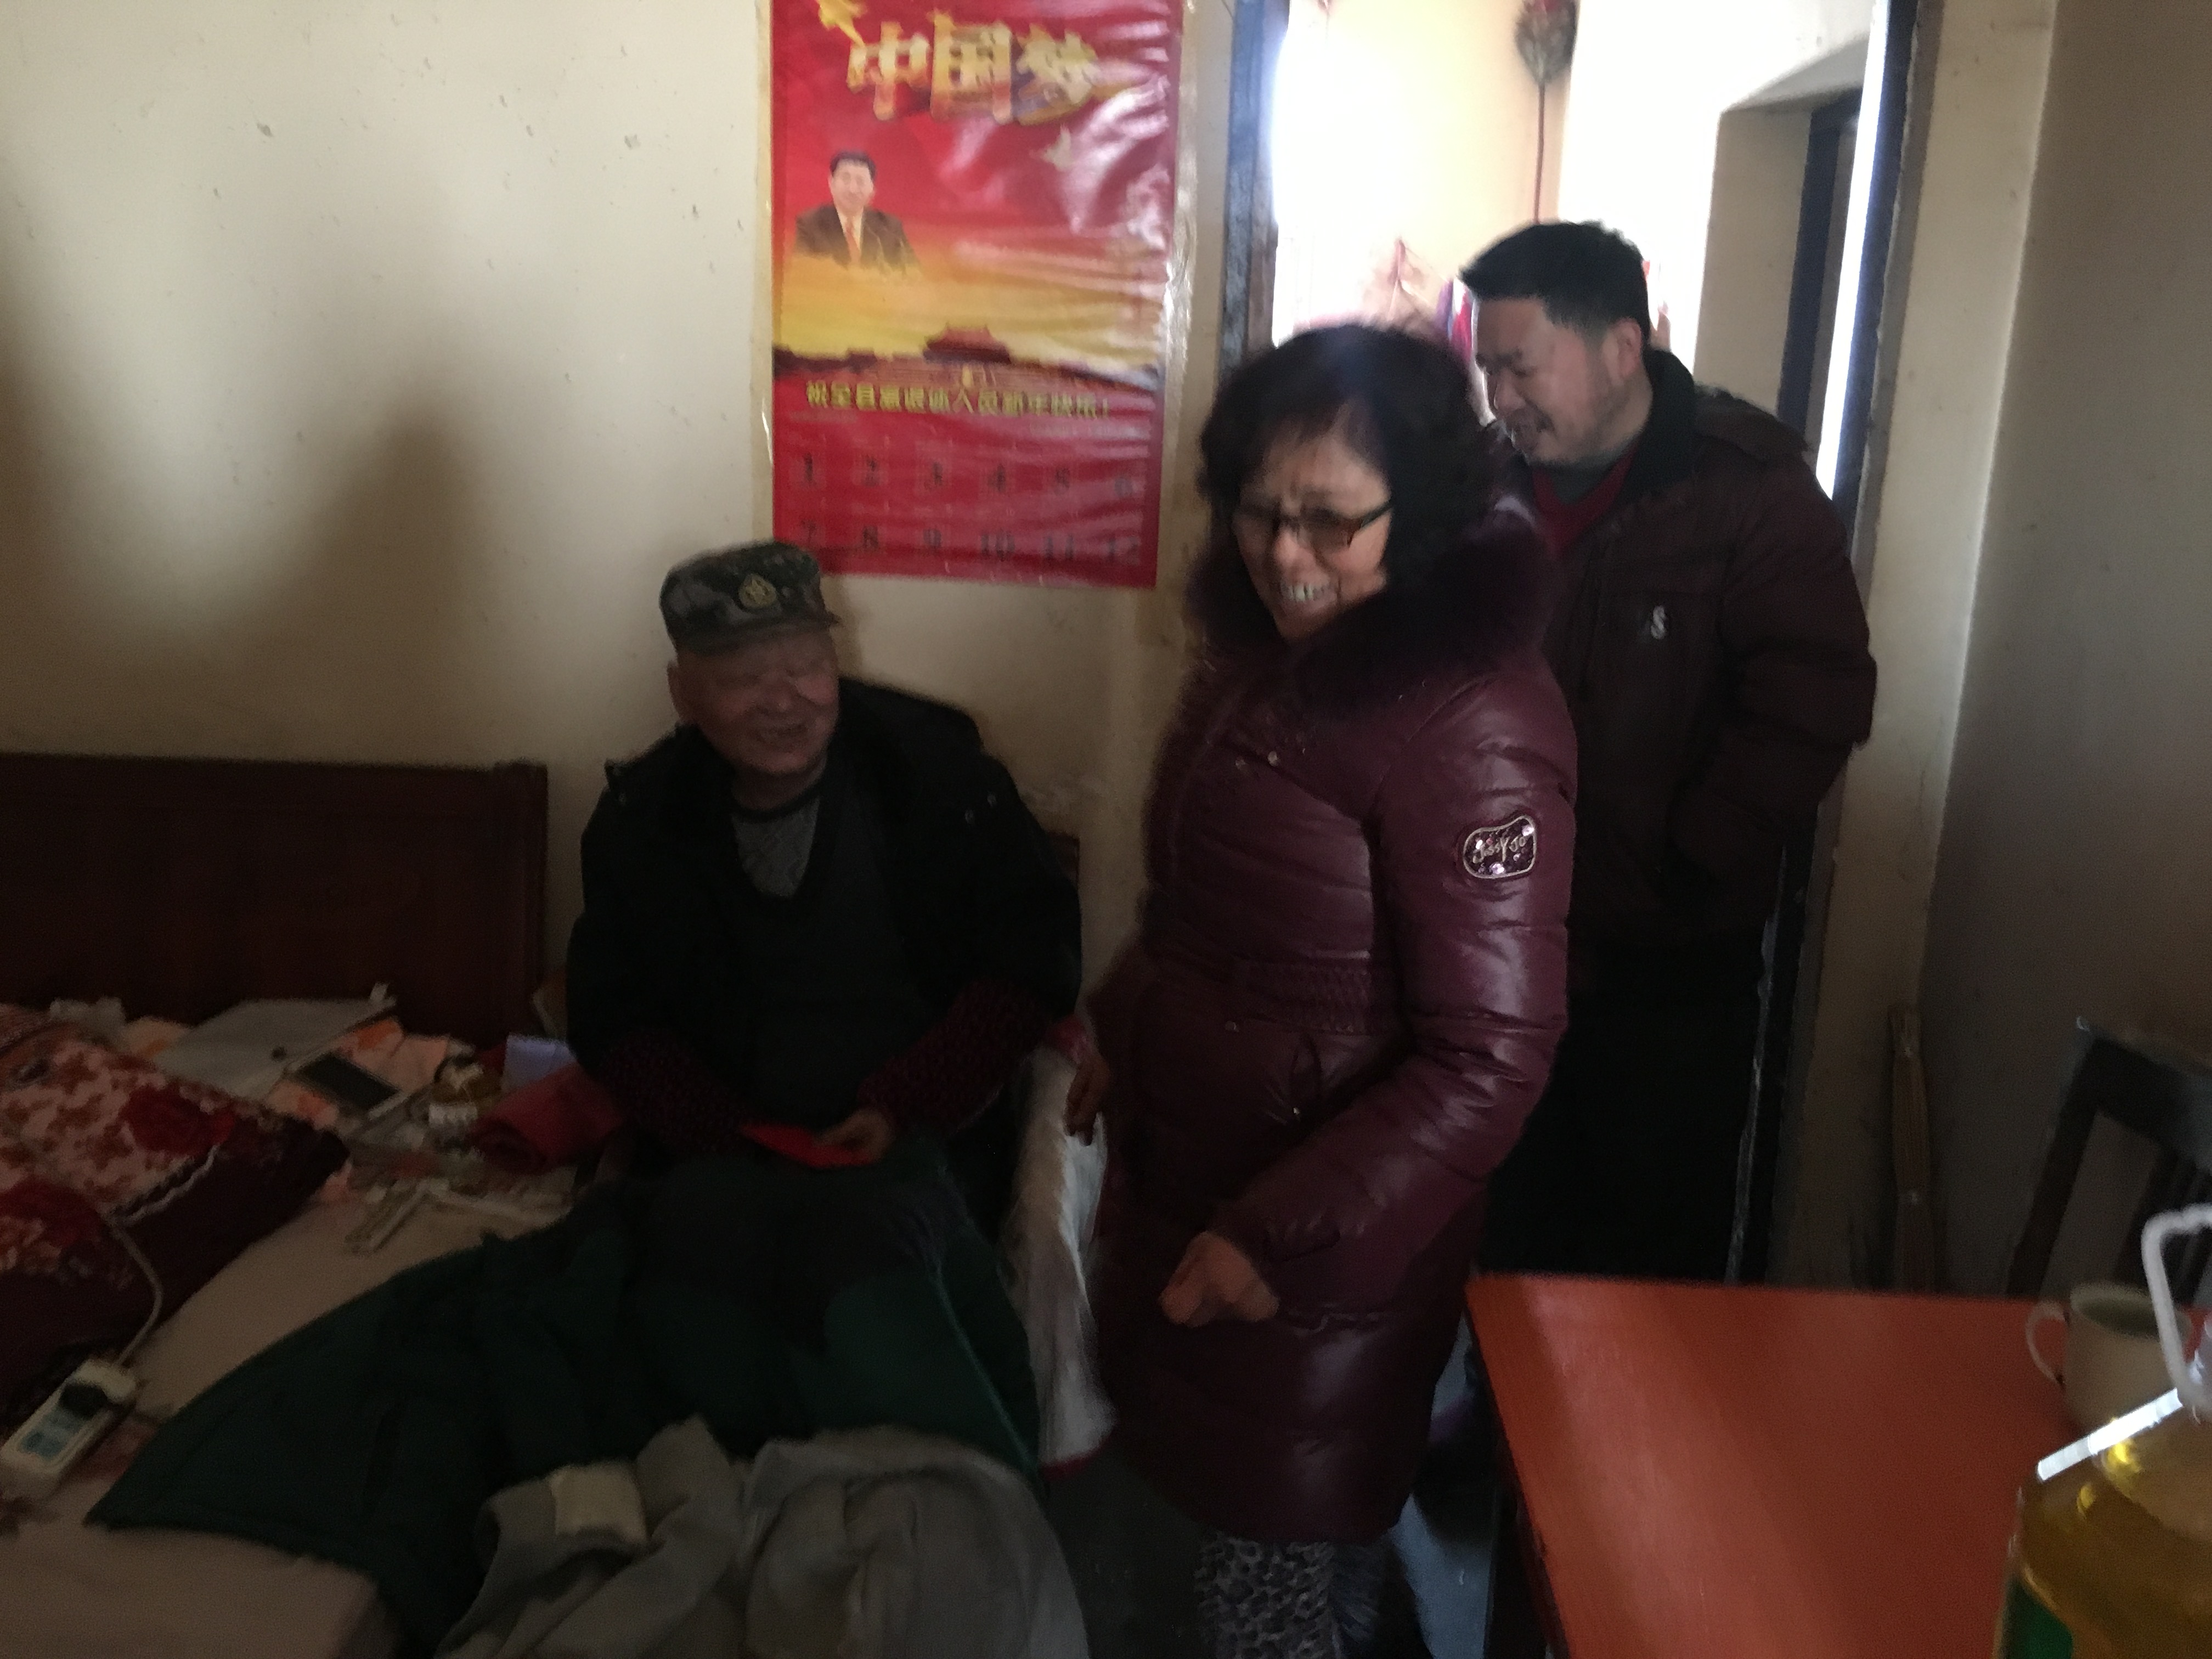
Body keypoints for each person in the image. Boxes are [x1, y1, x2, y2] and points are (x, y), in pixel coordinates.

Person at [1065, 324, 1576, 1657]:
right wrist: (1120, 1026)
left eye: (1332, 521)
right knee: (1239, 1551)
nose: (1284, 554)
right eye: (1258, 511)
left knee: (1269, 1586)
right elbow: (1202, 917)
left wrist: (1277, 1239)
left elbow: (1489, 1056)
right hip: (1206, 1189)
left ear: (1426, 513)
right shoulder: (1267, 657)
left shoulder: (1473, 720)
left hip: (1319, 1249)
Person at [1462, 219, 1877, 1280]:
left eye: (1519, 366)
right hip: (1499, 942)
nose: (1499, 397)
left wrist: (1688, 864)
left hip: (1666, 973)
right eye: (1486, 369)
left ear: (1620, 347)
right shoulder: (1481, 490)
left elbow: (1814, 695)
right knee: (1499, 1242)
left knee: (1644, 1267)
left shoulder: (1747, 494)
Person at [565, 541, 1078, 1234]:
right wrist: (730, 1141)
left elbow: (1030, 968)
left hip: (926, 1151)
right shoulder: (641, 822)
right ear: (683, 693)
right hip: (720, 1162)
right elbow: (612, 1019)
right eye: (744, 677)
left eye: (807, 667)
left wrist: (906, 1107)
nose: (783, 701)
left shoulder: (940, 781)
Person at [792, 150, 918, 270]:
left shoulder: (890, 227)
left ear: (872, 189)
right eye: (846, 179)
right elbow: (803, 273)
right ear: (832, 183)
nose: (852, 189)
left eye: (860, 181)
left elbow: (913, 273)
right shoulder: (811, 224)